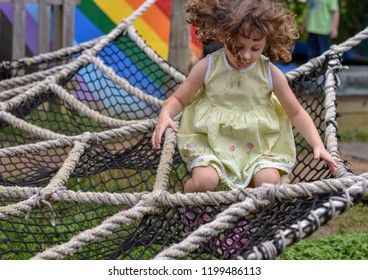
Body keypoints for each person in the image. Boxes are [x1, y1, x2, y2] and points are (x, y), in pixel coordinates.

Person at [151, 0, 338, 194]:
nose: (246, 55)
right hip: (212, 140)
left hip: (256, 145)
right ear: (224, 36)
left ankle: (246, 218)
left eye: (255, 48)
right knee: (205, 182)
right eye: (238, 47)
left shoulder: (270, 74)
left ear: (266, 41)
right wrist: (166, 113)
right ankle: (191, 204)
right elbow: (179, 99)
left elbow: (296, 112)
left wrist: (318, 144)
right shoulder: (208, 67)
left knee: (269, 182)